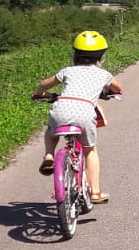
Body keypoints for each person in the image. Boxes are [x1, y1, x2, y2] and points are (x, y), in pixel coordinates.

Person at [33, 30, 123, 204]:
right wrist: (110, 91)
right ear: (101, 57)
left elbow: (44, 83)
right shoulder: (103, 74)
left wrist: (41, 93)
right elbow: (118, 88)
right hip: (84, 112)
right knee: (90, 150)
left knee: (51, 132)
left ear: (75, 55)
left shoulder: (68, 71)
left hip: (61, 108)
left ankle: (49, 156)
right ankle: (95, 192)